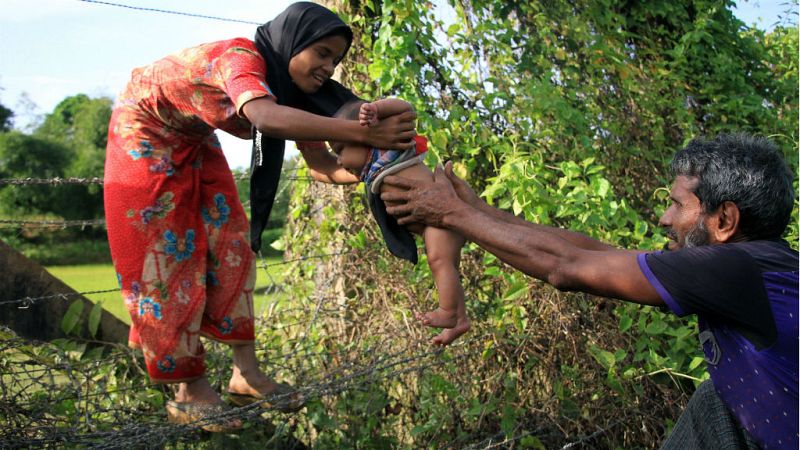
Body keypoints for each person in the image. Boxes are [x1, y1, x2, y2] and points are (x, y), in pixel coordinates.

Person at [103, 2, 416, 432]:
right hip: (144, 131)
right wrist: (363, 133)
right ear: (294, 40)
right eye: (322, 52)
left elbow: (322, 166)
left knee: (232, 243)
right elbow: (265, 117)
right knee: (163, 257)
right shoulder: (241, 58)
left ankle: (245, 373)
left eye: (336, 60)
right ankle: (188, 392)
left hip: (193, 136)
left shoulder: (288, 93)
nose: (329, 67)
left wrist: (371, 169)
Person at [379, 133, 798, 449]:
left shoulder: (733, 269)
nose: (664, 217)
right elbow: (593, 251)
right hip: (751, 424)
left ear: (724, 220)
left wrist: (450, 214)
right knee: (714, 398)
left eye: (678, 204)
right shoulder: (755, 263)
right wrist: (474, 212)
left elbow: (566, 266)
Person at [328, 98, 470, 346]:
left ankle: (448, 312)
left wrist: (377, 110)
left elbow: (407, 109)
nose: (339, 161)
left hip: (441, 217)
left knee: (439, 261)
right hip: (432, 225)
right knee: (447, 269)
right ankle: (460, 320)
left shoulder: (390, 147)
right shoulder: (371, 168)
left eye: (340, 151)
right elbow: (326, 172)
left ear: (364, 135)